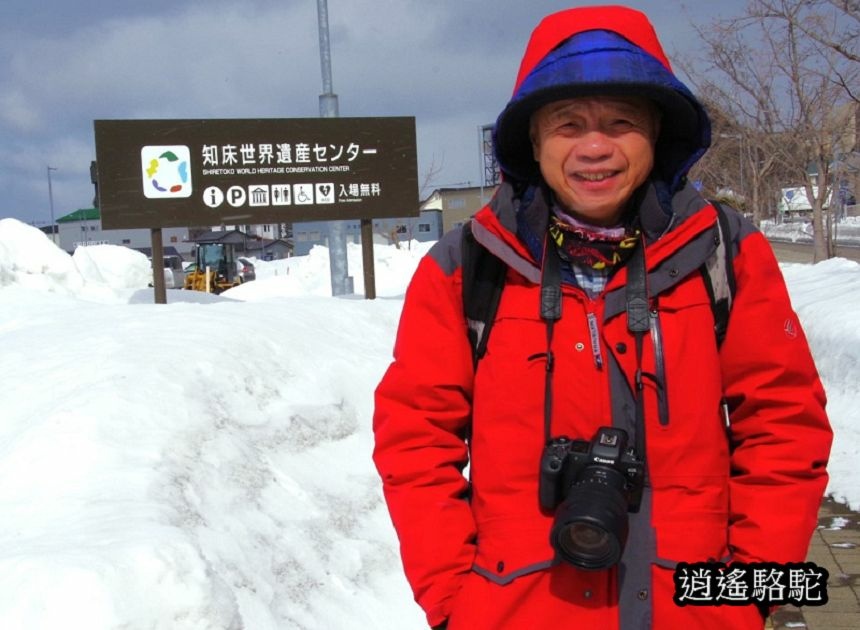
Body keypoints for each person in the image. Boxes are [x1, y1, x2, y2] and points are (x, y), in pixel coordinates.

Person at [372, 5, 833, 629]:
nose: (594, 146)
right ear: (532, 143)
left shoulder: (725, 252)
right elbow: (415, 440)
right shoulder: (468, 266)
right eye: (567, 123)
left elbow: (785, 427)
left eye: (621, 121)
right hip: (517, 610)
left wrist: (749, 597)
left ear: (658, 134)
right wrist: (457, 602)